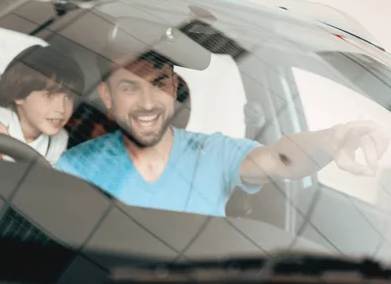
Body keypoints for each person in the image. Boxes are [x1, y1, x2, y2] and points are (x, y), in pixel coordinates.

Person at [55, 50, 390, 217]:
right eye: (130, 88)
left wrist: (331, 140)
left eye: (159, 85)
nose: (147, 103)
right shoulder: (74, 168)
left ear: (175, 88)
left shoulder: (214, 153)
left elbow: (281, 159)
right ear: (108, 96)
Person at [0, 45, 84, 165]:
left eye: (69, 97)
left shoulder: (57, 142)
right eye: (49, 95)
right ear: (19, 94)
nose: (61, 109)